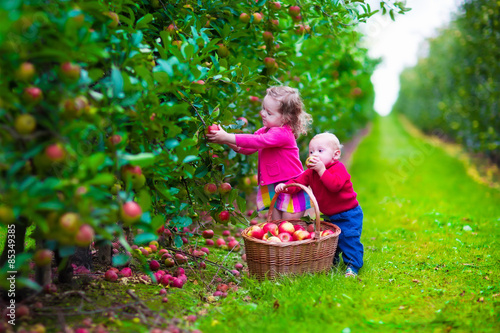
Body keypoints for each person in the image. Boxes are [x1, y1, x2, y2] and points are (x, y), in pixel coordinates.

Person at [206, 86, 312, 221]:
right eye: (263, 109)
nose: (263, 113)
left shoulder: (282, 133)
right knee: (276, 225)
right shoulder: (266, 130)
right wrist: (226, 141)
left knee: (289, 225)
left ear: (285, 118)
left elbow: (258, 141)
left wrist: (227, 136)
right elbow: (248, 148)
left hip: (290, 186)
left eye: (269, 112)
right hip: (274, 184)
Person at [275, 132, 363, 277]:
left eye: (320, 151)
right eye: (311, 151)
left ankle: (352, 266)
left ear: (335, 155)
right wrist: (285, 187)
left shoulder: (338, 168)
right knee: (331, 241)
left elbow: (334, 186)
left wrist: (322, 170)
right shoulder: (311, 173)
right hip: (330, 215)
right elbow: (298, 183)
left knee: (349, 239)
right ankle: (330, 263)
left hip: (349, 214)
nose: (314, 154)